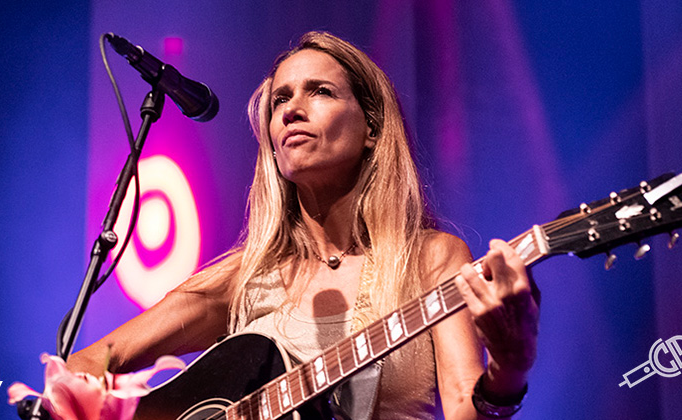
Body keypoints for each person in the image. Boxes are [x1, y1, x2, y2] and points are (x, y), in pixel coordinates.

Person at [67, 31, 540, 420]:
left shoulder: (432, 258)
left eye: (321, 91)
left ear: (372, 128)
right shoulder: (245, 278)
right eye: (280, 100)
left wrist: (509, 372)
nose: (292, 109)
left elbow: (464, 407)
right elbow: (89, 362)